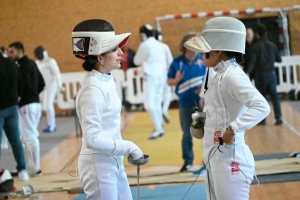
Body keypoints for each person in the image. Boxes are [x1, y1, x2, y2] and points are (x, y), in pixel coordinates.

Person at [184, 17, 270, 200]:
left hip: (231, 159)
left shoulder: (233, 75)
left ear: (218, 50)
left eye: (204, 49)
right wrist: (201, 121)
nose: (200, 54)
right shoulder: (216, 73)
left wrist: (233, 128)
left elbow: (261, 106)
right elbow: (211, 104)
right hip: (214, 156)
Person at [72, 19, 144, 200]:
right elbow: (92, 138)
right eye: (114, 49)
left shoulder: (106, 79)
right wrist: (128, 146)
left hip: (112, 161)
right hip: (98, 166)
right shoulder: (93, 89)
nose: (121, 53)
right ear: (100, 57)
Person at [167, 32, 206, 172]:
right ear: (185, 45)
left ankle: (207, 162)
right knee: (187, 134)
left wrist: (204, 88)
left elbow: (210, 78)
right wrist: (176, 80)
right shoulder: (177, 62)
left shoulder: (204, 60)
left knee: (203, 133)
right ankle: (188, 162)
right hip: (184, 104)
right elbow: (168, 81)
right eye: (192, 42)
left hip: (199, 104)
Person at [7, 42, 45, 176]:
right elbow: (42, 83)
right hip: (35, 103)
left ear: (20, 51)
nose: (9, 55)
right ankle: (32, 167)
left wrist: (23, 97)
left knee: (30, 136)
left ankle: (36, 168)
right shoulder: (32, 63)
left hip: (27, 104)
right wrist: (33, 95)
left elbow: (23, 85)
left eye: (11, 52)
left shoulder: (22, 66)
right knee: (29, 136)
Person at [134, 24, 173, 139]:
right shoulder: (163, 45)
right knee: (156, 101)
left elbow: (136, 61)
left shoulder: (145, 45)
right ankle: (159, 124)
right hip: (162, 76)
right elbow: (170, 62)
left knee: (149, 104)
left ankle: (159, 129)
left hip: (150, 76)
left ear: (143, 35)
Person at [0, 48, 29, 181]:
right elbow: (21, 83)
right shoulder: (12, 63)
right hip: (12, 106)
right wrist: (16, 97)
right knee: (16, 140)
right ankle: (23, 170)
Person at [246, 24, 283, 126]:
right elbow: (279, 59)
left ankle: (262, 120)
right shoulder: (272, 45)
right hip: (271, 74)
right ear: (266, 33)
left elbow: (252, 63)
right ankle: (278, 117)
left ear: (257, 34)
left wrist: (247, 72)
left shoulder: (255, 47)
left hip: (260, 76)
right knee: (274, 96)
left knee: (262, 98)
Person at [34, 46, 63, 133]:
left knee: (49, 105)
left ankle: (52, 126)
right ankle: (50, 124)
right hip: (43, 87)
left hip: (51, 85)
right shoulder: (37, 63)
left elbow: (57, 74)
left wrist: (59, 86)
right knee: (44, 106)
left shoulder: (50, 61)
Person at [154, 29, 173, 123]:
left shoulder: (148, 47)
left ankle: (158, 118)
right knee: (168, 93)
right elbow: (170, 61)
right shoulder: (164, 46)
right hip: (164, 74)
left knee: (156, 97)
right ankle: (164, 110)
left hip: (152, 76)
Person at [120, 41, 138, 134]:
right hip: (121, 75)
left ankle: (131, 104)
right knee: (122, 91)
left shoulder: (132, 53)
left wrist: (126, 60)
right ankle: (124, 105)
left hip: (130, 75)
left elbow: (135, 63)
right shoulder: (118, 52)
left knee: (131, 90)